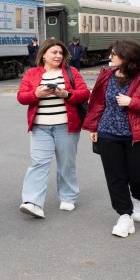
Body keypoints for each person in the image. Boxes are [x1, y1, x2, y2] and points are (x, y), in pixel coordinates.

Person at [83, 39, 140, 238]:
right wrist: (93, 127)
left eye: (114, 54)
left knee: (139, 176)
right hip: (107, 133)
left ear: (127, 56)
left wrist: (132, 102)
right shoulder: (107, 75)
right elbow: (98, 103)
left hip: (137, 135)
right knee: (115, 177)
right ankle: (124, 216)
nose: (110, 57)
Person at [17, 37, 90, 219]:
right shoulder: (32, 73)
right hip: (40, 128)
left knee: (66, 163)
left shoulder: (71, 71)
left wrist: (66, 94)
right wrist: (36, 93)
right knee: (38, 163)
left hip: (67, 126)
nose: (58, 56)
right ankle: (32, 202)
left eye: (60, 53)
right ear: (43, 55)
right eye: (54, 52)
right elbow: (21, 97)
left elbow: (84, 93)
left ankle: (68, 196)